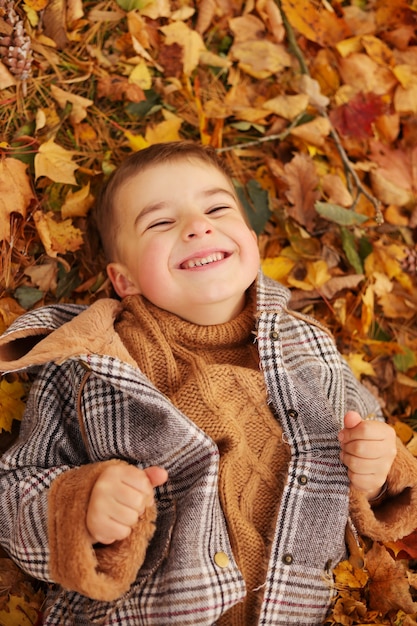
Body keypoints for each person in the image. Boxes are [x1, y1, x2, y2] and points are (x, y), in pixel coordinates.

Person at [0, 141, 416, 626]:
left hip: (313, 609)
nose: (198, 225)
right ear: (124, 279)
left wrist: (379, 471)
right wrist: (82, 505)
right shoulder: (89, 362)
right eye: (160, 222)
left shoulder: (311, 346)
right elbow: (13, 493)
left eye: (217, 207)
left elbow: (374, 444)